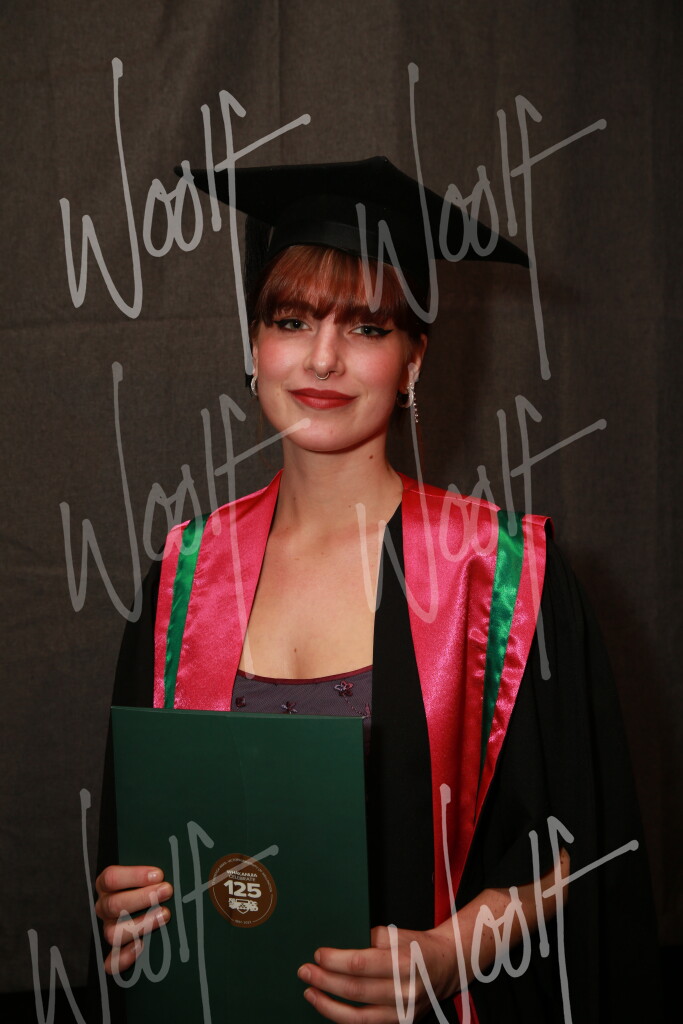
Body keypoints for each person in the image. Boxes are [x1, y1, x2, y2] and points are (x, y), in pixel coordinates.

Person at [94, 158, 659, 1022]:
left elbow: (580, 851)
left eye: (365, 327)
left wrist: (447, 954)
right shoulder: (181, 578)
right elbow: (147, 839)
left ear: (412, 360)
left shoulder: (501, 579)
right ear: (254, 346)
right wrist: (127, 902)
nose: (321, 358)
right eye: (291, 321)